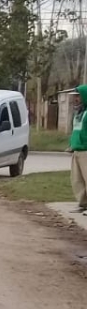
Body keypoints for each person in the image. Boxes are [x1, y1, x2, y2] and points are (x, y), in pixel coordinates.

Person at [72, 84, 87, 214]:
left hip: (86, 150)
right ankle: (83, 203)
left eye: (78, 96)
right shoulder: (78, 113)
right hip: (77, 149)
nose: (76, 99)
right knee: (77, 179)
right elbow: (76, 132)